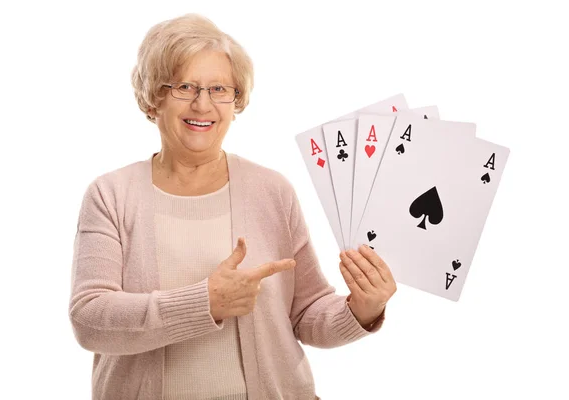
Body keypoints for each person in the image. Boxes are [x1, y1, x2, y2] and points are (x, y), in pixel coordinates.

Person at [69, 13, 397, 400]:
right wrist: (205, 302)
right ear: (154, 96)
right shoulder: (110, 194)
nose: (202, 104)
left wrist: (361, 309)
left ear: (235, 98)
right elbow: (89, 320)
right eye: (184, 86)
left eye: (219, 89)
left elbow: (306, 314)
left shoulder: (272, 190)